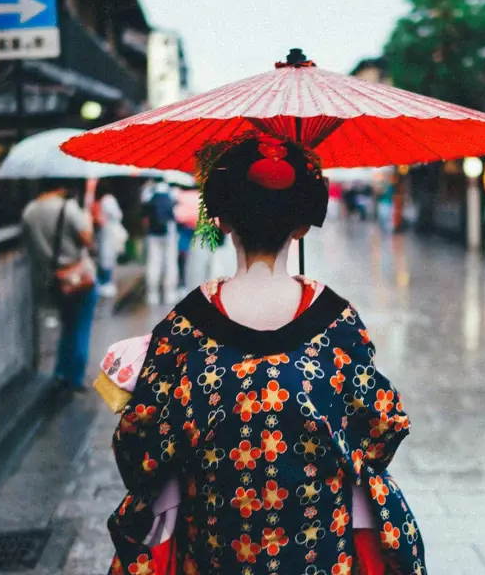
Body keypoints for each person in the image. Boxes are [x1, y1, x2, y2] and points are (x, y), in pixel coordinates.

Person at [100, 133, 426, 575]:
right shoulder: (337, 322)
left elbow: (138, 445)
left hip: (215, 550)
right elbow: (381, 429)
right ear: (302, 225)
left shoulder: (186, 326)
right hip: (320, 550)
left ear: (223, 220)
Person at [20, 180, 98, 392]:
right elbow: (88, 240)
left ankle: (60, 372)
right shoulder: (68, 208)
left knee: (67, 325)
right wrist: (88, 216)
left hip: (52, 279)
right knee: (80, 327)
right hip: (78, 277)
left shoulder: (29, 212)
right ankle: (75, 377)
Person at [142, 181, 180, 305]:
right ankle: (169, 293)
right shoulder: (172, 192)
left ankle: (152, 294)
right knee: (170, 262)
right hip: (170, 232)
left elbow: (145, 213)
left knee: (153, 262)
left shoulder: (148, 192)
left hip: (153, 233)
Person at [96, 193, 127, 298]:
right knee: (107, 258)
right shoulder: (108, 200)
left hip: (108, 236)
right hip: (108, 236)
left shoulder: (105, 200)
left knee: (106, 258)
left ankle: (106, 282)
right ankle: (106, 282)